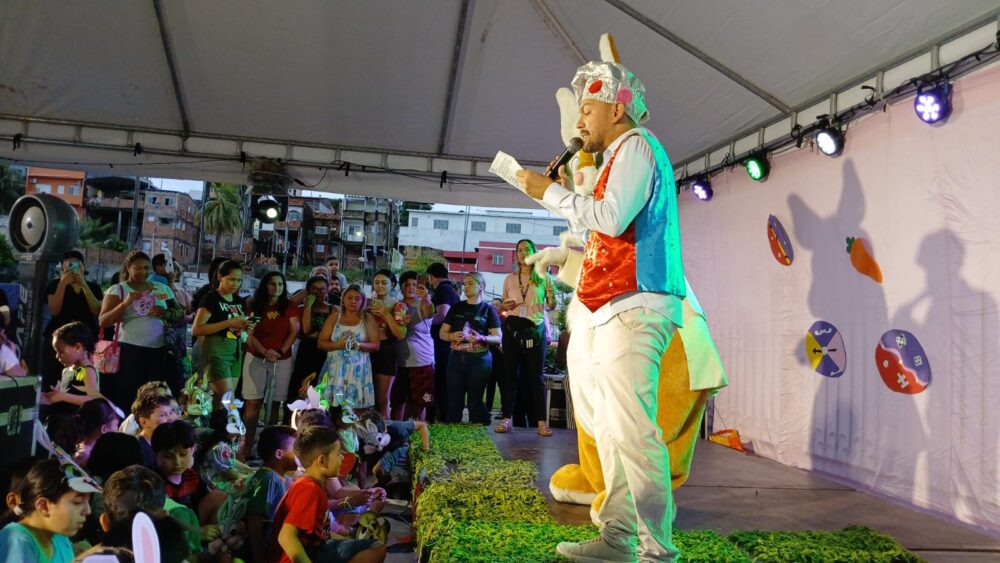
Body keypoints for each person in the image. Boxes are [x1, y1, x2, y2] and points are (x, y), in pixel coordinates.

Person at [516, 60, 686, 561]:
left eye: (587, 109)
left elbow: (611, 219)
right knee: (612, 428)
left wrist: (550, 192)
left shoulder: (637, 145)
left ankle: (657, 550)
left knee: (632, 428)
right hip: (610, 306)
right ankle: (618, 538)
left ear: (617, 107)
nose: (579, 122)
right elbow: (599, 233)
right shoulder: (617, 154)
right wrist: (562, 235)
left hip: (635, 304)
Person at [270, 425, 385, 563]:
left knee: (374, 542)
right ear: (322, 461)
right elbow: (286, 536)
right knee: (376, 548)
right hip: (302, 556)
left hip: (318, 548)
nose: (342, 458)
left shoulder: (313, 484)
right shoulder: (309, 489)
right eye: (338, 453)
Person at [99, 251, 183, 412]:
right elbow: (103, 321)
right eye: (137, 268)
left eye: (146, 268)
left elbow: (179, 313)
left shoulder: (162, 288)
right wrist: (125, 304)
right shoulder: (118, 290)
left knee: (153, 395)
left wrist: (165, 313)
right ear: (128, 268)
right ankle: (126, 429)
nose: (142, 272)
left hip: (158, 349)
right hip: (129, 349)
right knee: (128, 393)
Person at [495, 239, 557, 436]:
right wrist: (505, 306)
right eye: (519, 250)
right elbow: (504, 305)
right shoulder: (509, 279)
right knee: (509, 376)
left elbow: (552, 306)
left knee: (536, 378)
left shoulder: (543, 277)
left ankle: (541, 422)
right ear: (516, 255)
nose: (522, 253)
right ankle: (506, 419)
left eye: (527, 250)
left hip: (534, 329)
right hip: (512, 328)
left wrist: (552, 296)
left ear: (533, 253)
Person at [242, 271, 301, 458]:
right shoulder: (253, 304)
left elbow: (294, 331)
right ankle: (246, 445)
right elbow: (249, 333)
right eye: (272, 284)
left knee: (275, 403)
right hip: (256, 356)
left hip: (281, 359)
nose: (276, 288)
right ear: (265, 285)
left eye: (280, 284)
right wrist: (264, 351)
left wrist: (280, 351)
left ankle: (268, 447)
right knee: (253, 402)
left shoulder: (290, 306)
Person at [0, 458, 97, 563]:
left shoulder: (60, 539)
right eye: (77, 502)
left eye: (88, 501)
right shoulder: (17, 541)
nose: (88, 511)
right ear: (43, 506)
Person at [439, 272, 502, 424]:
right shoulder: (457, 307)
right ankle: (452, 437)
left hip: (479, 360)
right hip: (456, 359)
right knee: (454, 401)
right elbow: (442, 333)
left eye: (470, 283)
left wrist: (483, 338)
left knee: (475, 401)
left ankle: (479, 435)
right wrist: (452, 336)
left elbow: (499, 338)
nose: (466, 287)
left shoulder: (488, 309)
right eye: (464, 284)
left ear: (481, 286)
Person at [41, 251, 103, 391]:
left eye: (77, 265)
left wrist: (84, 285)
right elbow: (54, 310)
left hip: (84, 340)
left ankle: (77, 402)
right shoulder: (54, 285)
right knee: (54, 376)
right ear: (62, 268)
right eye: (69, 266)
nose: (73, 269)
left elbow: (97, 310)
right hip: (59, 339)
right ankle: (54, 403)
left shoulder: (93, 287)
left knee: (81, 378)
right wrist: (63, 283)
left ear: (83, 266)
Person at [192, 260, 250, 403]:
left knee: (223, 400)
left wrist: (246, 326)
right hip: (217, 351)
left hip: (235, 350)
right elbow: (197, 329)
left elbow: (238, 327)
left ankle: (218, 424)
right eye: (231, 279)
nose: (235, 284)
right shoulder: (211, 298)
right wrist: (229, 322)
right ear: (220, 277)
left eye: (238, 280)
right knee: (228, 400)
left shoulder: (239, 301)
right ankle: (229, 424)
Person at [317, 285, 380, 411]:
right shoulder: (334, 318)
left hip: (359, 370)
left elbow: (376, 345)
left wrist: (358, 344)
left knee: (356, 411)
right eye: (350, 297)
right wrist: (338, 345)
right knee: (330, 408)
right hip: (335, 369)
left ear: (362, 301)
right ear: (343, 300)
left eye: (357, 298)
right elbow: (321, 343)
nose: (353, 301)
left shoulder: (368, 319)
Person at [245, 425, 297, 563]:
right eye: (296, 449)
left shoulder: (276, 477)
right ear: (279, 454)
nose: (300, 453)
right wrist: (259, 558)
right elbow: (254, 520)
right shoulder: (270, 479)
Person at [392, 271, 436, 421]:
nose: (411, 287)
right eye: (407, 285)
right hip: (400, 362)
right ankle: (397, 433)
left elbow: (429, 313)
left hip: (422, 361)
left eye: (415, 285)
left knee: (421, 403)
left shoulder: (424, 304)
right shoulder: (397, 306)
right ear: (401, 288)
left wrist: (426, 298)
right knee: (398, 402)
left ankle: (418, 434)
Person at [369, 269, 407, 418]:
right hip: (366, 351)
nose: (380, 286)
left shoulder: (399, 307)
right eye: (376, 282)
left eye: (384, 282)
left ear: (393, 285)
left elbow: (400, 334)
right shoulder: (365, 303)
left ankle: (383, 436)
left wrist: (386, 314)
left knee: (382, 400)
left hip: (386, 352)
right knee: (364, 399)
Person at [289, 276, 334, 402]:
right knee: (300, 384)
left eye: (322, 289)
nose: (318, 293)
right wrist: (308, 307)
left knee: (320, 385)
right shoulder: (300, 309)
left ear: (327, 290)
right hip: (305, 351)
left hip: (325, 352)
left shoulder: (333, 309)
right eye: (314, 289)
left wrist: (319, 335)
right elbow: (306, 330)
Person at [425, 262, 459, 422]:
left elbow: (442, 314)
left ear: (432, 277)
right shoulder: (451, 290)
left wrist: (424, 322)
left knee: (439, 382)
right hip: (447, 345)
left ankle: (438, 416)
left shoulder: (442, 290)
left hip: (441, 345)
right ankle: (443, 415)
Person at [54, 397, 120, 468]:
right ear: (104, 429)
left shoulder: (78, 444)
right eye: (116, 425)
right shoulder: (88, 458)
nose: (117, 429)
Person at [134, 394, 179, 470]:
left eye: (171, 413)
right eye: (163, 415)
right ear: (144, 422)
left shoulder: (169, 441)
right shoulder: (137, 449)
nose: (170, 419)